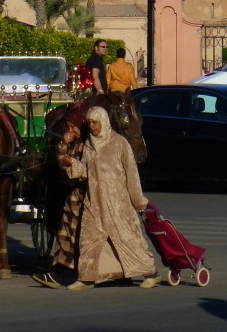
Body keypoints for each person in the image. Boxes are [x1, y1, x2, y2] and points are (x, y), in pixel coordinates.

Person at [60, 105, 159, 289]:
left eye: (95, 122)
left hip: (117, 204)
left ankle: (151, 273)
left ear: (103, 122)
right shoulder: (89, 145)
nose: (92, 126)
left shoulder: (119, 143)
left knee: (128, 239)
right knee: (89, 240)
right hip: (95, 203)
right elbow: (84, 171)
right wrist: (70, 163)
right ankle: (86, 278)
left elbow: (131, 174)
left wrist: (138, 201)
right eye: (89, 123)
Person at [33, 102, 88, 289]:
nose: (70, 130)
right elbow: (65, 167)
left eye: (73, 127)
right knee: (66, 233)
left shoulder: (90, 145)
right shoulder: (75, 143)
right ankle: (57, 273)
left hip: (88, 198)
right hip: (74, 198)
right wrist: (63, 145)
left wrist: (70, 162)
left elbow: (88, 169)